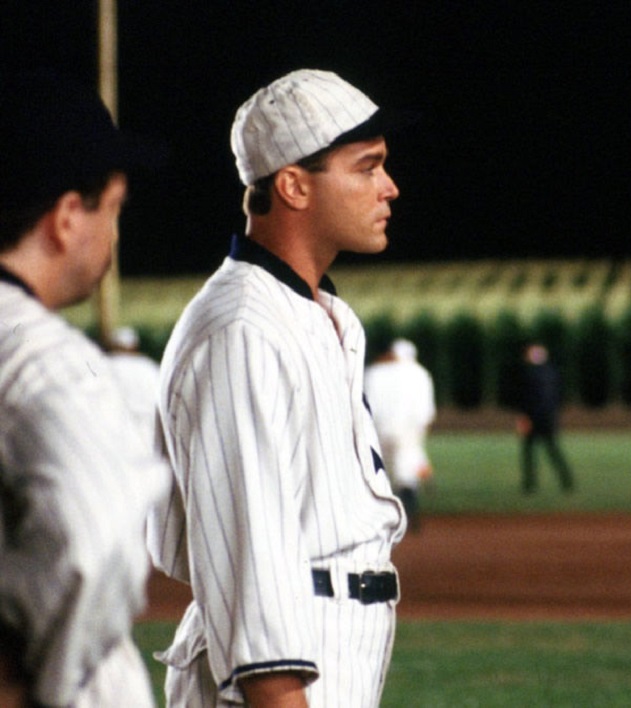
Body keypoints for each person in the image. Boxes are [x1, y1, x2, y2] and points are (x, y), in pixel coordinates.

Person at [146, 69, 413, 707]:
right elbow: (251, 565)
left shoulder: (322, 315)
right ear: (292, 184)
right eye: (366, 167)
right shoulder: (242, 329)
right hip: (275, 674)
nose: (390, 188)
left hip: (329, 645)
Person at [0, 69, 168, 707]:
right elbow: (93, 551)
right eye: (115, 208)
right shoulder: (47, 361)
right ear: (68, 217)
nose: (115, 233)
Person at [364, 337, 437, 528]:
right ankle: (410, 516)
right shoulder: (420, 374)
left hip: (378, 429)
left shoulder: (374, 372)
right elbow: (426, 412)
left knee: (379, 474)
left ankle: (382, 519)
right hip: (407, 431)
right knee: (406, 472)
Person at [513, 343, 575, 494]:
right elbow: (558, 397)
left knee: (530, 452)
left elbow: (525, 398)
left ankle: (530, 484)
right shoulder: (552, 373)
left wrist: (524, 418)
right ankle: (566, 481)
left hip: (534, 417)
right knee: (551, 450)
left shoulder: (528, 374)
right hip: (548, 417)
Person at [105, 325, 162, 450]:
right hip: (149, 427)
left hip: (119, 428)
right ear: (134, 346)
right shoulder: (148, 367)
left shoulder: (105, 365)